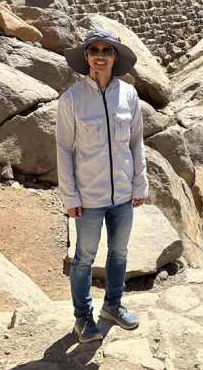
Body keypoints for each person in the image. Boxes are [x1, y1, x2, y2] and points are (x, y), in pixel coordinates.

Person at [56, 29, 148, 343]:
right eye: (93, 49)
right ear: (86, 57)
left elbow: (136, 142)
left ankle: (113, 306)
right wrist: (69, 194)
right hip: (88, 197)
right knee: (84, 258)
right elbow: (64, 150)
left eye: (106, 50)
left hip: (123, 193)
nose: (100, 55)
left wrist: (140, 183)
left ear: (114, 57)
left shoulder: (129, 95)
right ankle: (83, 318)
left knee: (119, 254)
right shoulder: (72, 100)